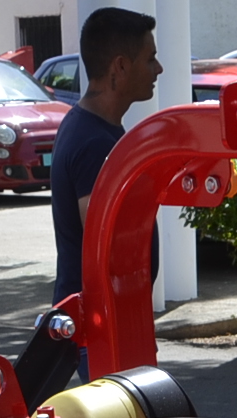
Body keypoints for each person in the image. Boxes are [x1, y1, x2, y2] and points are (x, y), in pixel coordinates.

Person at [51, 7, 161, 305]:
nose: (159, 69)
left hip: (100, 320)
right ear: (121, 66)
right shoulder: (94, 144)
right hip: (97, 325)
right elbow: (107, 253)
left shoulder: (88, 125)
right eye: (150, 59)